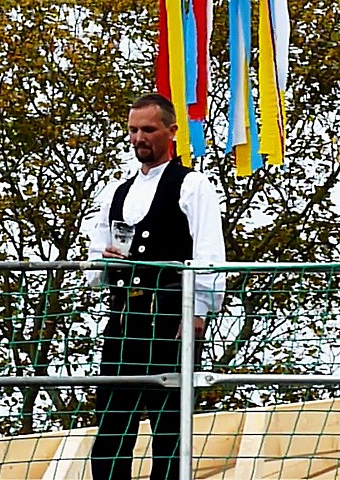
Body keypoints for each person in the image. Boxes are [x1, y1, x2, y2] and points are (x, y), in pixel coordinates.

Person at [87, 93, 226, 480]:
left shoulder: (192, 185)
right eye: (133, 130)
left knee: (169, 428)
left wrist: (198, 312)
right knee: (111, 427)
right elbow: (95, 264)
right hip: (123, 321)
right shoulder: (116, 191)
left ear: (171, 131)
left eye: (148, 129)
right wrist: (104, 261)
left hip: (171, 322)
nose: (139, 138)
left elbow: (209, 253)